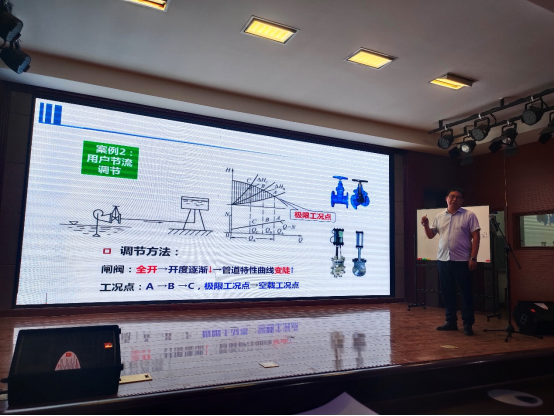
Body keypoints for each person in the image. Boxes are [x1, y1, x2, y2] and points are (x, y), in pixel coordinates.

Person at [421, 187, 480, 336]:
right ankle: (451, 321)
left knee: (465, 293)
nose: (455, 199)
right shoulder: (439, 216)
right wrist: (426, 225)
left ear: (462, 200)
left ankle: (467, 324)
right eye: (452, 196)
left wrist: (473, 257)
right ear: (446, 198)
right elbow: (430, 235)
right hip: (443, 260)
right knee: (447, 292)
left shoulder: (469, 215)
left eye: (458, 197)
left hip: (462, 260)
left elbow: (476, 236)